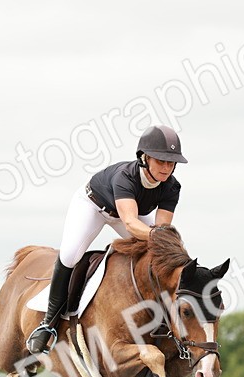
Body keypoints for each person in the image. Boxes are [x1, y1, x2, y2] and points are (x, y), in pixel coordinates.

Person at [26, 125, 188, 355]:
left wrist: (169, 245)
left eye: (171, 163)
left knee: (163, 252)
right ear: (145, 158)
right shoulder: (126, 177)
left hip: (130, 211)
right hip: (94, 206)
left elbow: (161, 227)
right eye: (161, 161)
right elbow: (131, 223)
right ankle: (49, 324)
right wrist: (160, 237)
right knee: (71, 255)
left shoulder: (172, 187)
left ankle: (167, 318)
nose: (167, 168)